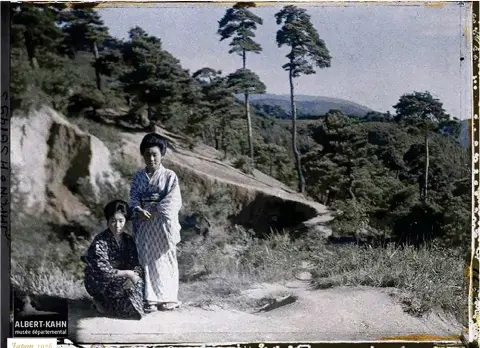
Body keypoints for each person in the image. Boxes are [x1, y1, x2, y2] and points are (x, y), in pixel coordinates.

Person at [129, 133, 183, 312]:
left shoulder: (169, 176)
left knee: (164, 259)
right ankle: (149, 299)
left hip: (162, 224)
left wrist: (154, 209)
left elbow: (173, 200)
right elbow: (134, 197)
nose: (151, 158)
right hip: (144, 224)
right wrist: (137, 210)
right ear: (143, 155)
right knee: (145, 259)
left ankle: (168, 298)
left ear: (162, 154)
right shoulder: (138, 177)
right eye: (147, 154)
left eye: (155, 154)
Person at [81, 200, 145, 319]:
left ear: (125, 221)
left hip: (121, 278)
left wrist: (134, 275)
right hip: (99, 281)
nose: (117, 225)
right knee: (122, 307)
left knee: (138, 282)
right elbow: (103, 270)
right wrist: (127, 273)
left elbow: (136, 264)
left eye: (121, 221)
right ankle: (101, 300)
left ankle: (115, 304)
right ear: (108, 222)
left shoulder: (128, 240)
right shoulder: (101, 240)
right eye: (113, 221)